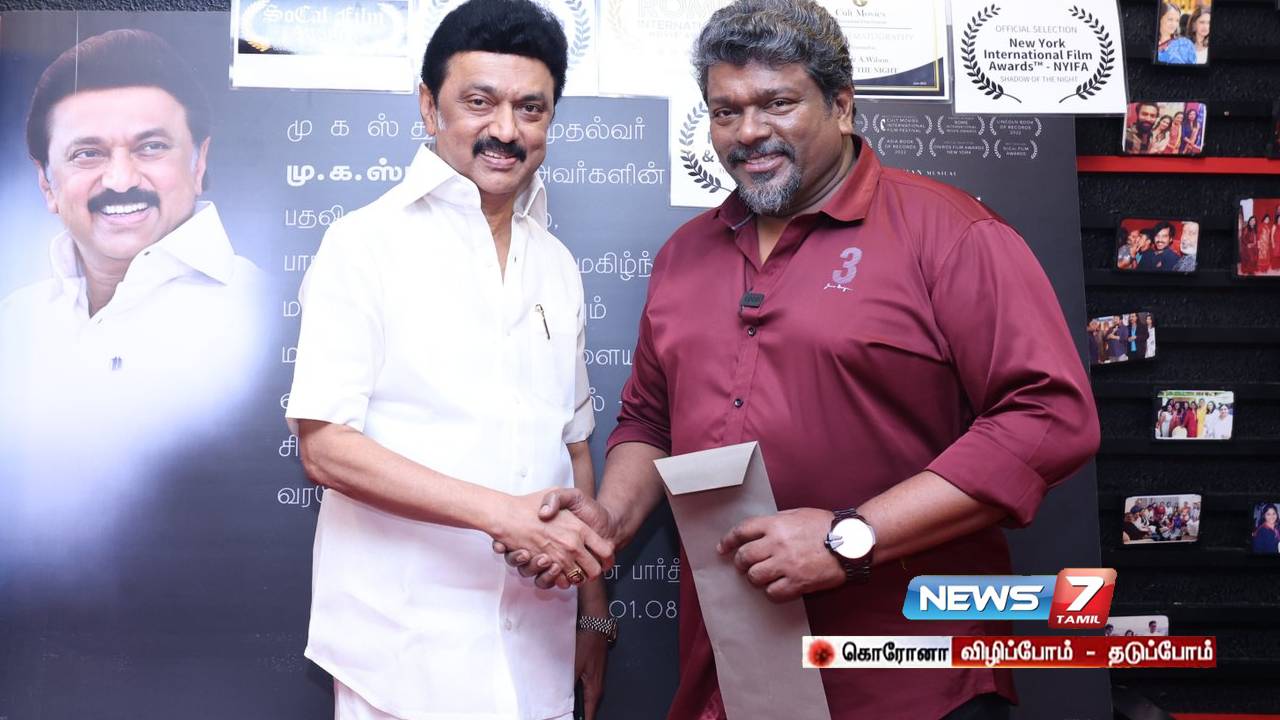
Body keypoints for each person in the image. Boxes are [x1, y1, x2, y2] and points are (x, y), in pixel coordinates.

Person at [501, 2, 1099, 717]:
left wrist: (852, 536)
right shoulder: (684, 256)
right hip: (732, 674)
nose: (748, 132)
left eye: (777, 103)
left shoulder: (950, 233)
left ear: (841, 106)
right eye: (725, 112)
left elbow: (1048, 418)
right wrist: (612, 521)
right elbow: (651, 422)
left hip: (910, 676)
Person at [285, 2, 612, 718]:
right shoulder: (363, 245)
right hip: (401, 657)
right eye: (479, 102)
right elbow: (325, 447)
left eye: (531, 108)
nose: (506, 130)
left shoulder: (557, 264)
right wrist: (503, 516)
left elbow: (572, 447)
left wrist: (592, 613)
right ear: (429, 106)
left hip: (539, 652)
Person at [0, 28, 267, 567]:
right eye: (87, 154)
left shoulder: (272, 315)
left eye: (151, 147)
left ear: (198, 163)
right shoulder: (12, 324)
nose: (121, 179)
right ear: (47, 184)